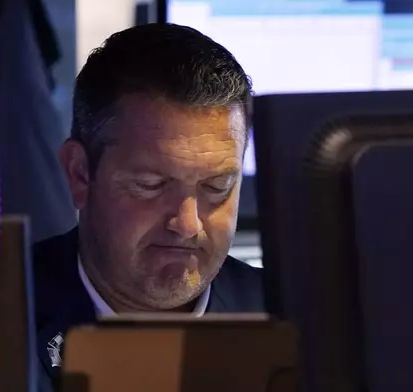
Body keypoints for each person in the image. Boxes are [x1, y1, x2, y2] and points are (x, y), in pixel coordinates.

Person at [32, 23, 264, 390]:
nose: (188, 224)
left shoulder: (301, 321)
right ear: (80, 174)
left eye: (217, 187)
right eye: (151, 185)